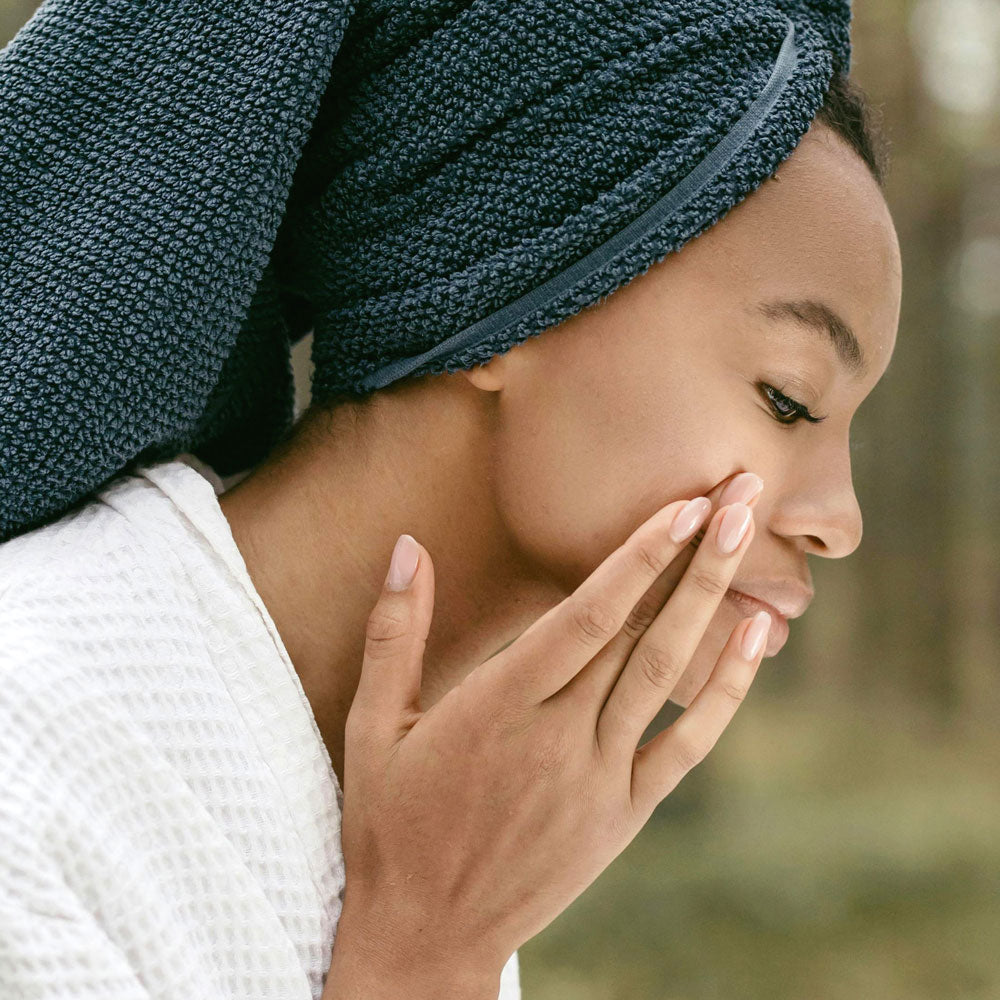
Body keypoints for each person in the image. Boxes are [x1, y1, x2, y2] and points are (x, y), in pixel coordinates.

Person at [0, 5, 901, 1000]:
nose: (839, 519)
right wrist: (417, 967)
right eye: (788, 398)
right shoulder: (27, 772)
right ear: (525, 282)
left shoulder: (436, 826)